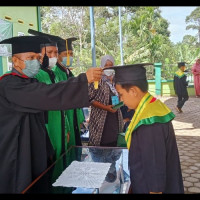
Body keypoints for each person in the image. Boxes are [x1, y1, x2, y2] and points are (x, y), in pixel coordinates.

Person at [0, 35, 102, 193]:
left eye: (37, 57)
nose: (36, 61)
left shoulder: (30, 81)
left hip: (35, 148)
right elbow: (46, 94)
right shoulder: (9, 84)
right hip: (17, 150)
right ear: (15, 61)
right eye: (30, 57)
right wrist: (83, 79)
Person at [109, 63, 184, 194]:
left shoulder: (150, 123)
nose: (121, 100)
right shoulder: (152, 105)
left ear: (133, 91)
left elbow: (155, 170)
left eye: (121, 94)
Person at [28, 29, 85, 147]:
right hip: (50, 127)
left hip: (63, 123)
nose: (53, 56)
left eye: (55, 52)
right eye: (49, 52)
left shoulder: (56, 74)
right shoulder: (37, 76)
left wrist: (76, 121)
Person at [88, 55, 123, 147]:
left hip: (115, 119)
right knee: (102, 145)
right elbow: (90, 99)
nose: (108, 67)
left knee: (114, 144)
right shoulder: (97, 80)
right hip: (100, 121)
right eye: (106, 65)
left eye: (110, 65)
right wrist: (106, 107)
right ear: (102, 66)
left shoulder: (116, 80)